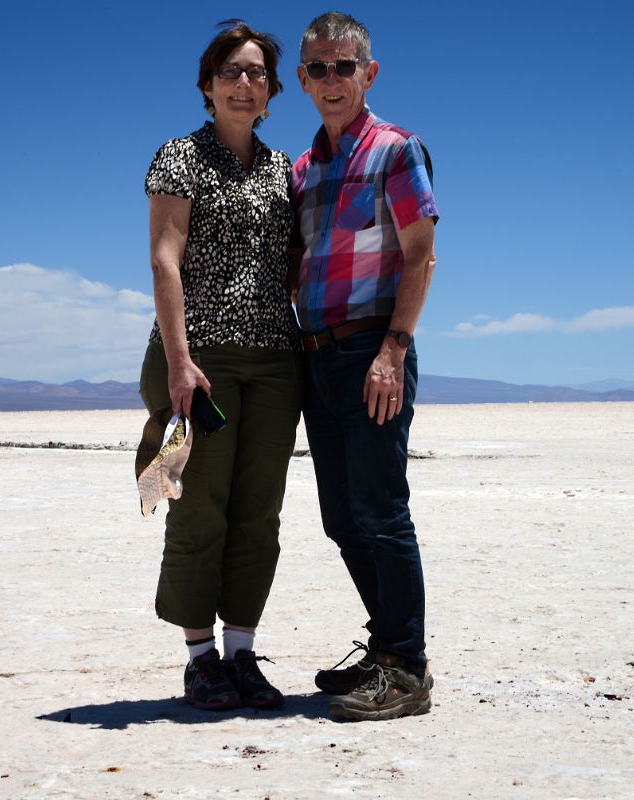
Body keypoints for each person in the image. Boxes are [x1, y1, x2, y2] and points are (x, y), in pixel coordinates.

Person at [140, 20, 303, 711]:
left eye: (257, 73)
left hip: (275, 361)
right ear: (208, 86)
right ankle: (200, 658)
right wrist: (179, 361)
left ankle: (242, 654)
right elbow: (165, 259)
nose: (245, 83)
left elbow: (294, 265)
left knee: (258, 512)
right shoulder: (180, 157)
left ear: (270, 91)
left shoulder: (280, 169)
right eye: (232, 71)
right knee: (199, 507)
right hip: (198, 362)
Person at [290, 11, 438, 721]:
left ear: (368, 73)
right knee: (342, 518)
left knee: (381, 512)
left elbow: (420, 256)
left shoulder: (395, 150)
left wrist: (393, 349)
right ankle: (385, 652)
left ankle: (407, 670)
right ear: (301, 79)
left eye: (342, 66)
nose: (330, 79)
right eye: (317, 68)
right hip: (316, 357)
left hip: (370, 351)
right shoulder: (302, 169)